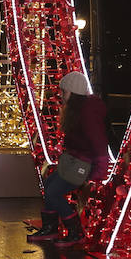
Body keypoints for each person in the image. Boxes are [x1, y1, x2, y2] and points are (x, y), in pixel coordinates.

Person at [27, 71, 110, 246]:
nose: (61, 95)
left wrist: (98, 172)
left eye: (63, 92)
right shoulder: (76, 111)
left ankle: (75, 231)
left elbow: (98, 142)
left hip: (84, 165)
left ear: (72, 92)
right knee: (49, 185)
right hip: (75, 161)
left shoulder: (87, 113)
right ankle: (50, 228)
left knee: (53, 191)